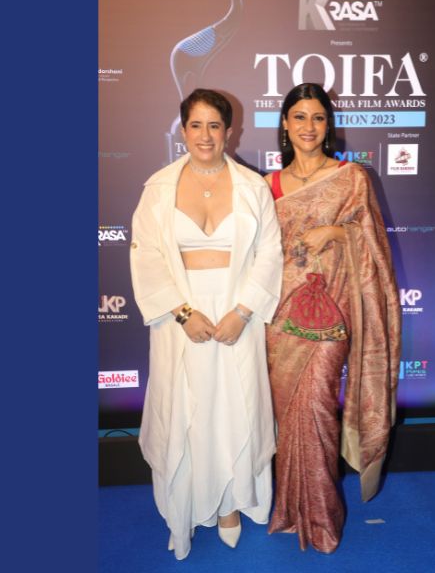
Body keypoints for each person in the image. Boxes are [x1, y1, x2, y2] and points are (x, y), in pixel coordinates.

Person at [130, 88, 283, 560]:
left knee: (234, 407)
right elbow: (146, 255)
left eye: (214, 125)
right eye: (195, 125)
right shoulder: (158, 188)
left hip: (237, 314)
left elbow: (269, 254)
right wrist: (181, 312)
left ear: (229, 131)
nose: (205, 135)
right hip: (181, 316)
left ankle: (230, 502)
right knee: (185, 410)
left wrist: (243, 312)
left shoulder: (253, 187)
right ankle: (188, 505)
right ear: (182, 130)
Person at [265, 82, 401, 553]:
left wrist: (338, 233)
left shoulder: (351, 178)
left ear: (329, 125)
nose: (309, 126)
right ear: (285, 125)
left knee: (319, 408)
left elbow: (374, 246)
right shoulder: (266, 185)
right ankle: (289, 511)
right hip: (279, 319)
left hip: (331, 314)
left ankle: (322, 519)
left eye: (318, 117)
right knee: (287, 418)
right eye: (299, 117)